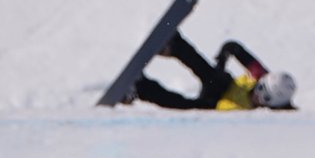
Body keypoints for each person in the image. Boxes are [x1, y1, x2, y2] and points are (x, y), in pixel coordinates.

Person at [123, 29, 297, 111]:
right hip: (224, 87)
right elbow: (233, 47)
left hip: (214, 111)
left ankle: (140, 88)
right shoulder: (260, 74)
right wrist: (222, 60)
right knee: (212, 75)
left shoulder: (276, 115)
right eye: (260, 87)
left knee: (185, 106)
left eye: (265, 98)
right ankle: (175, 45)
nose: (258, 96)